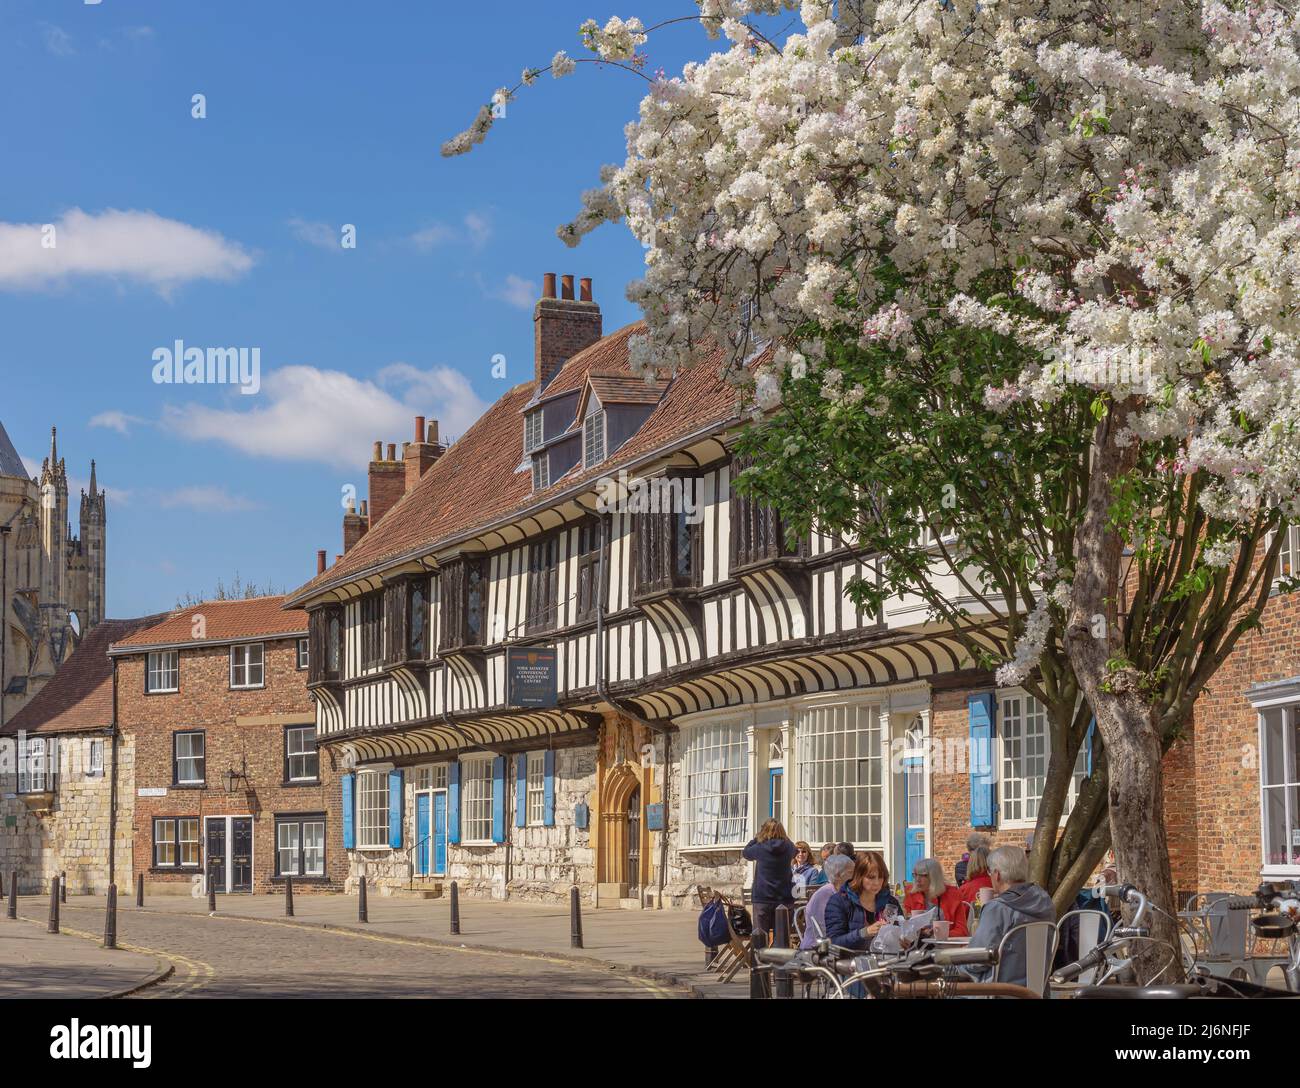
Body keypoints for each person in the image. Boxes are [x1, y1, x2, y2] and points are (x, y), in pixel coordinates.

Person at [967, 845, 1057, 990]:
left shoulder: (998, 909)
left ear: (997, 875)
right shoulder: (1045, 901)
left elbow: (977, 960)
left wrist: (955, 962)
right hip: (1036, 991)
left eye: (989, 872)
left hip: (999, 991)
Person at [823, 851, 902, 951]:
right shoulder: (839, 901)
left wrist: (904, 940)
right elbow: (833, 942)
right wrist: (864, 933)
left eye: (881, 877)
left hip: (887, 961)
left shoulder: (891, 902)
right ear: (859, 876)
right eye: (871, 877)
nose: (877, 882)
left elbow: (900, 932)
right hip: (852, 961)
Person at [743, 819, 797, 935]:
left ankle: (760, 954)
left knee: (760, 936)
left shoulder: (760, 847)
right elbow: (795, 851)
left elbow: (746, 853)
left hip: (763, 897)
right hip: (785, 897)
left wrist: (756, 838)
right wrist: (785, 838)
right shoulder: (788, 846)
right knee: (783, 937)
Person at [799, 853, 854, 950]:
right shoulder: (825, 894)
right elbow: (825, 930)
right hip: (817, 949)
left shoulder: (844, 892)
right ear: (838, 875)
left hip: (836, 946)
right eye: (851, 872)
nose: (856, 875)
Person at [902, 857, 969, 936]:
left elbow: (962, 931)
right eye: (915, 875)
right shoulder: (911, 895)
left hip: (945, 945)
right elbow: (905, 927)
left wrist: (940, 934)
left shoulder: (952, 895)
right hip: (918, 945)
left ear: (934, 877)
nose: (917, 879)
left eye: (923, 875)